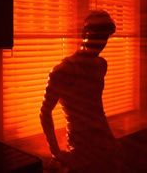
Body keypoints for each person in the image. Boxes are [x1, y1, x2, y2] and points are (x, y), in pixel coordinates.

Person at [40, 10, 123, 173]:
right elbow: (45, 112)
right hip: (81, 145)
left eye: (105, 37)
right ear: (84, 33)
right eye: (97, 36)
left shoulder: (101, 65)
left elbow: (97, 108)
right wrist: (55, 150)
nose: (101, 42)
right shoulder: (63, 70)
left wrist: (111, 141)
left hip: (105, 141)